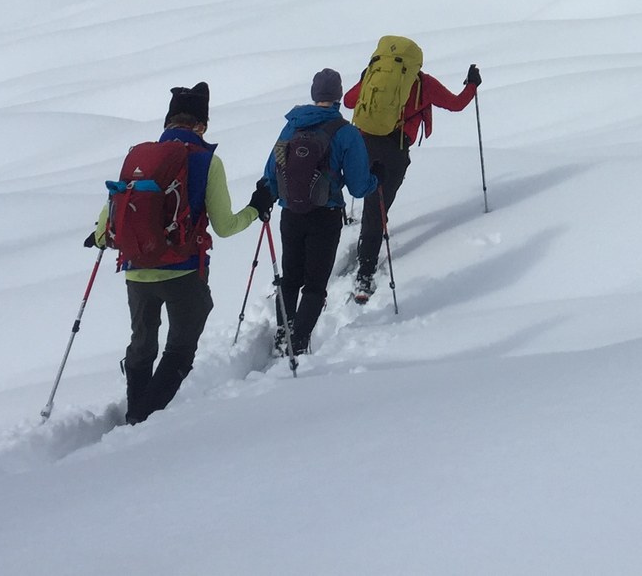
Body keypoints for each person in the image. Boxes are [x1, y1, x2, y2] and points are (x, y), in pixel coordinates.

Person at [87, 81, 271, 424]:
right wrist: (256, 208)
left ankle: (134, 414)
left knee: (142, 346)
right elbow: (225, 226)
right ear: (201, 123)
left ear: (168, 120)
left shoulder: (139, 158)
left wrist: (100, 236)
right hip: (184, 271)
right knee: (180, 349)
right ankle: (143, 418)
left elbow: (110, 214)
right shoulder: (206, 160)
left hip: (136, 268)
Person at [342, 36, 481, 303]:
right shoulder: (423, 83)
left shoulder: (373, 76)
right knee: (378, 207)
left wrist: (366, 81)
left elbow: (349, 102)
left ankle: (362, 236)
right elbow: (456, 104)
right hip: (394, 150)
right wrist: (472, 84)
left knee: (372, 203)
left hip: (363, 143)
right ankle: (364, 275)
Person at [259, 68, 377, 354]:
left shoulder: (292, 126)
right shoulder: (346, 133)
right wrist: (377, 179)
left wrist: (270, 196)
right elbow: (360, 187)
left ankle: (282, 335)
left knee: (290, 277)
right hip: (325, 216)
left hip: (291, 214)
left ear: (314, 94)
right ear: (338, 95)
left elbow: (272, 170)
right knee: (314, 284)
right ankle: (298, 342)